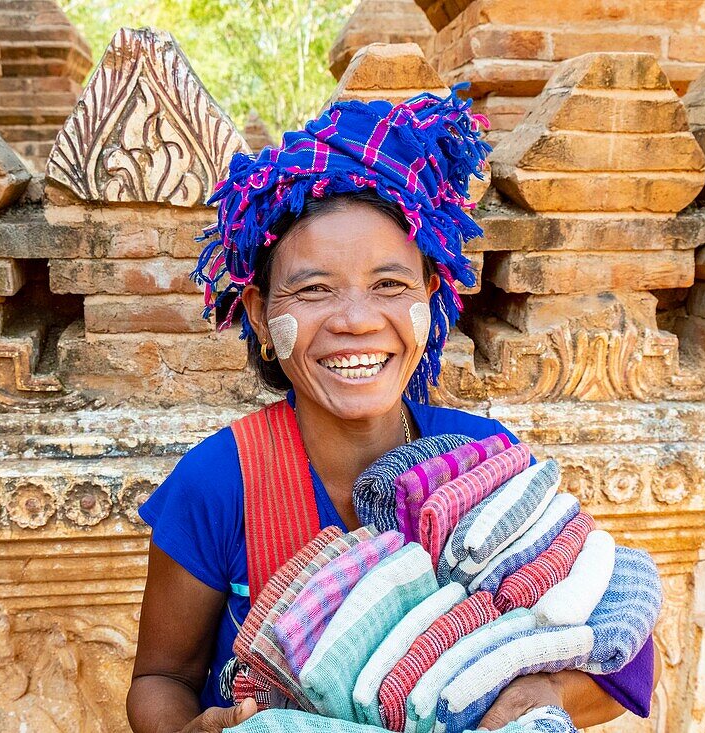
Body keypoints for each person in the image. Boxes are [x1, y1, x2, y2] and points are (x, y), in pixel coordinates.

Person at [127, 90, 657, 733]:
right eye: (314, 289)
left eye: (390, 285)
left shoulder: (483, 459)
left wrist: (517, 700)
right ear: (262, 314)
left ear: (431, 298)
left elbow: (621, 665)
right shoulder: (217, 484)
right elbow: (161, 680)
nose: (356, 320)